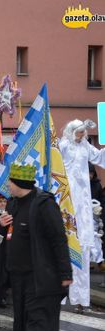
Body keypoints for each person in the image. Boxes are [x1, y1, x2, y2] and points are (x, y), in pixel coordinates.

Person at [0, 163, 72, 331]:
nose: (8, 186)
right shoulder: (12, 203)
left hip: (41, 273)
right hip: (17, 274)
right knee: (23, 316)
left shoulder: (43, 204)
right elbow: (6, 232)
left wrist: (65, 274)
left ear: (20, 184)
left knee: (38, 316)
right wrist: (1, 225)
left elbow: (58, 239)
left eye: (10, 182)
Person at [59, 119, 104, 313]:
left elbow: (99, 157)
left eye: (83, 133)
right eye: (78, 132)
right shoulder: (63, 146)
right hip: (66, 200)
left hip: (83, 204)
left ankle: (81, 300)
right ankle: (59, 296)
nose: (81, 136)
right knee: (61, 250)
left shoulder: (86, 146)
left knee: (83, 252)